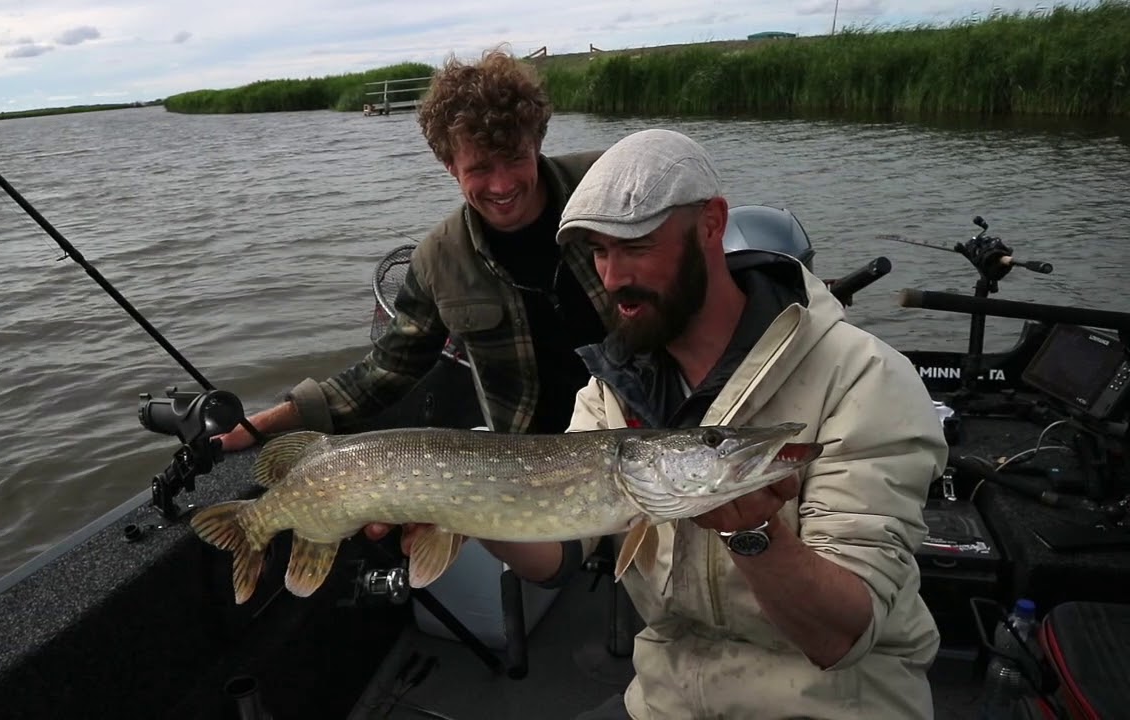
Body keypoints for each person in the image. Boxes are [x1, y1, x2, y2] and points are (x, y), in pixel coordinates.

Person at [385, 128, 949, 719]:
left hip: (833, 702)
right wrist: (465, 509)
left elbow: (840, 638)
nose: (611, 277)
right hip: (669, 694)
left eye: (637, 246)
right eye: (600, 251)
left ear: (710, 224)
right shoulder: (614, 385)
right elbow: (559, 557)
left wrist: (754, 535)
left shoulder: (865, 378)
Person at [215, 47, 612, 449]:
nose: (502, 184)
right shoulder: (437, 260)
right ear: (449, 165)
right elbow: (384, 373)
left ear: (537, 140)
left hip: (646, 432)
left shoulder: (611, 184)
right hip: (527, 462)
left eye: (514, 158)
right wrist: (268, 421)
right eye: (479, 168)